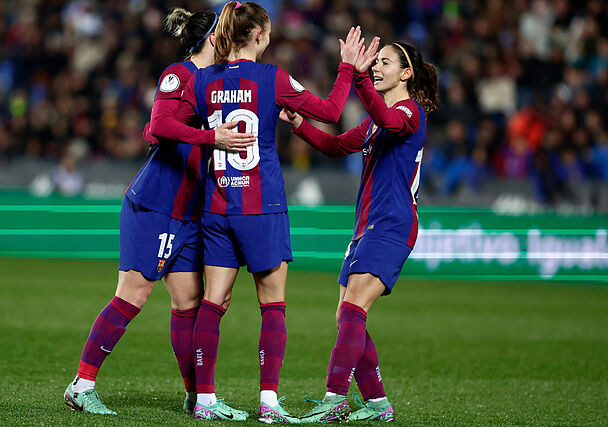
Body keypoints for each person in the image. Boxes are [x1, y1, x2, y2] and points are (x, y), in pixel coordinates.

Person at [164, 1, 366, 422]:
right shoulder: (271, 78)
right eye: (269, 31)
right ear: (258, 35)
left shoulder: (202, 81)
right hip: (262, 206)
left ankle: (204, 400)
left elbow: (171, 126)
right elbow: (329, 112)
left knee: (213, 303)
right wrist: (347, 68)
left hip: (217, 206)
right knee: (272, 305)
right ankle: (269, 403)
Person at [63, 8, 255, 415]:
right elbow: (159, 125)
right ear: (211, 39)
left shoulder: (219, 84)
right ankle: (82, 383)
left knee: (189, 302)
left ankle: (196, 396)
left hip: (188, 210)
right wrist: (209, 138)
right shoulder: (180, 74)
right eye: (224, 33)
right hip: (155, 204)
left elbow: (157, 130)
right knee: (133, 292)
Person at [281, 38, 439, 422]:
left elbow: (388, 120)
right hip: (366, 226)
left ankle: (335, 399)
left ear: (406, 74)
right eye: (375, 61)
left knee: (353, 309)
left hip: (392, 223)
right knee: (347, 314)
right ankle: (377, 403)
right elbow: (335, 146)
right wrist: (300, 124)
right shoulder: (373, 121)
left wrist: (355, 73)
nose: (377, 67)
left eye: (384, 62)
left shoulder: (410, 112)